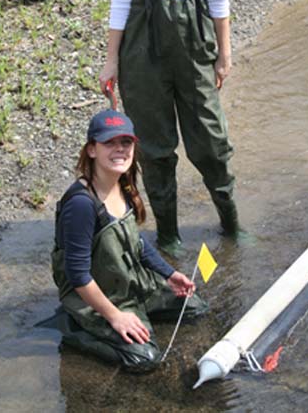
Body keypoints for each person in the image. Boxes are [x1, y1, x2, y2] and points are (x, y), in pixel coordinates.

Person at [99, 0, 241, 257]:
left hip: (196, 46)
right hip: (142, 51)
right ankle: (169, 234)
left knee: (211, 142)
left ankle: (231, 225)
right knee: (155, 147)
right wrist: (112, 59)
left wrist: (224, 53)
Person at [49, 108, 207, 372]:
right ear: (91, 150)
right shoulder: (81, 205)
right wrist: (116, 316)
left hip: (131, 282)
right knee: (144, 360)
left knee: (195, 307)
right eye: (109, 142)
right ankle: (75, 327)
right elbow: (77, 275)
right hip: (97, 294)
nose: (119, 149)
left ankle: (137, 313)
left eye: (125, 142)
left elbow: (137, 242)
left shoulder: (123, 185)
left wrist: (169, 274)